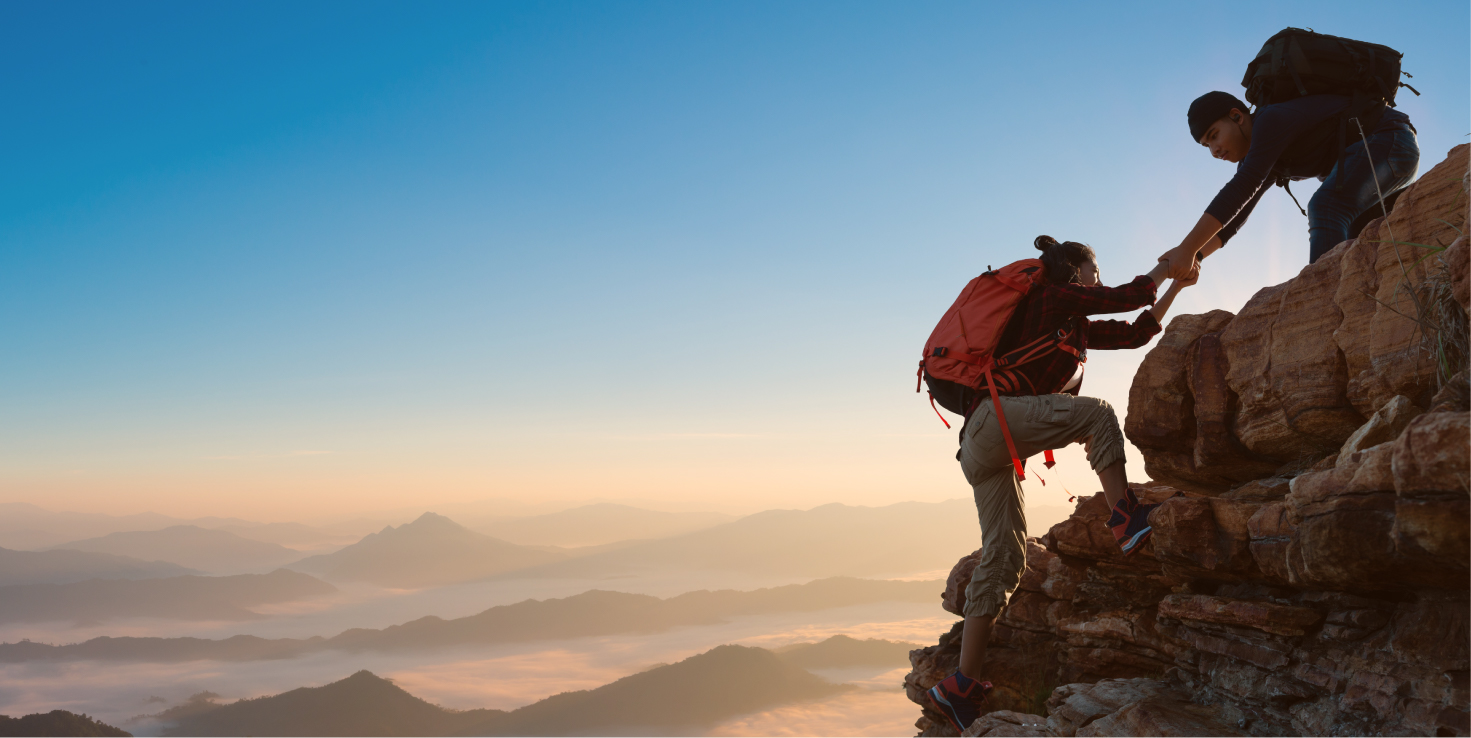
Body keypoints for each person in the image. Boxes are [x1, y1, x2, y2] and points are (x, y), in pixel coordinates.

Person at [925, 236, 1195, 733]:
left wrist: (1174, 285)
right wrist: (1166, 267)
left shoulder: (1071, 327)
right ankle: (1127, 518)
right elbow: (1127, 296)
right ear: (1076, 271)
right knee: (1098, 415)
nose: (1097, 280)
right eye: (1094, 271)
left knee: (1006, 557)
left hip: (983, 444)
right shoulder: (1051, 297)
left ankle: (960, 686)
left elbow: (1136, 332)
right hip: (995, 424)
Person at [1160, 90, 1420, 278]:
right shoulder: (1264, 152)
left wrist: (1187, 247)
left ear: (1237, 116)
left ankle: (1318, 310)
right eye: (1207, 145)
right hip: (1378, 162)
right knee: (1356, 244)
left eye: (1214, 135)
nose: (1214, 150)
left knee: (1327, 207)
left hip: (1391, 142)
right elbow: (1234, 220)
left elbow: (1242, 187)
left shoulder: (1271, 121)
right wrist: (1195, 256)